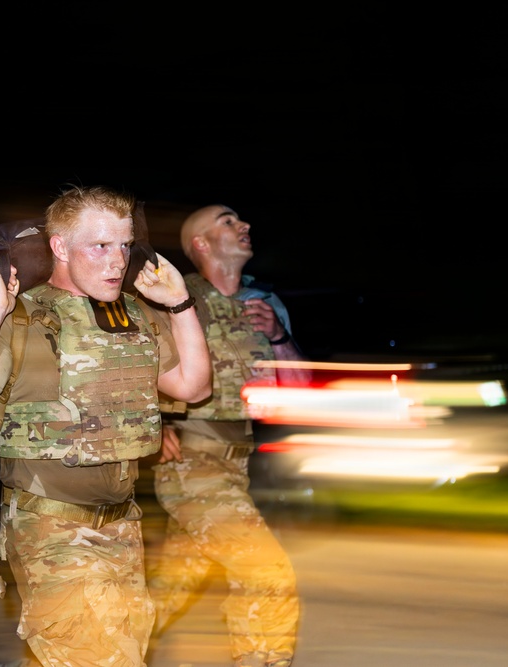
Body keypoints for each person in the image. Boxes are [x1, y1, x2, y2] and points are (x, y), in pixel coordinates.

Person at [0, 184, 212, 667]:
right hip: (52, 529)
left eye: (124, 245)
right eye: (100, 246)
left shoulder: (132, 316)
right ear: (59, 247)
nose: (117, 261)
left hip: (122, 526)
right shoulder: (22, 318)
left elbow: (193, 386)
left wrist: (180, 304)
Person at [147, 204, 312, 667]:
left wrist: (279, 338)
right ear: (201, 243)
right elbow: (133, 368)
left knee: (167, 589)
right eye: (228, 221)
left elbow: (299, 391)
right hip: (190, 462)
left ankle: (76, 657)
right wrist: (153, 426)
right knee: (265, 569)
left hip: (236, 462)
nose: (245, 225)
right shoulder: (173, 298)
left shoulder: (265, 304)